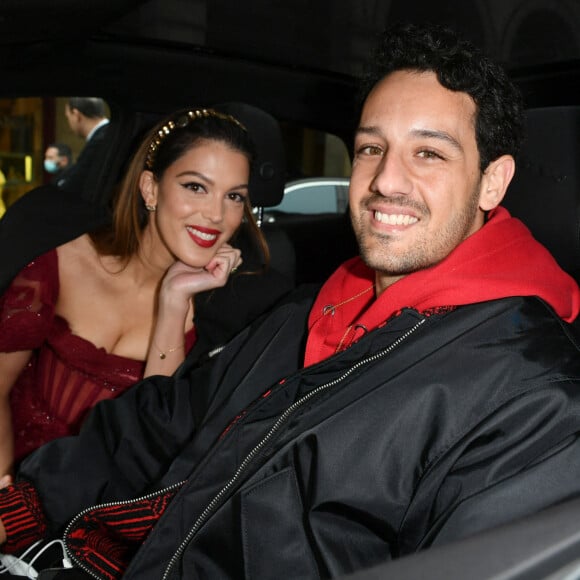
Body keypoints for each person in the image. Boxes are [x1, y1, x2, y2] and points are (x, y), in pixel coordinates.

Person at [0, 22, 580, 580]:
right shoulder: (310, 310)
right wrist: (22, 503)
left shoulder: (532, 394)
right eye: (370, 149)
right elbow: (157, 424)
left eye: (428, 154)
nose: (385, 181)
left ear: (492, 182)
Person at [0, 107, 281, 477]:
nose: (216, 214)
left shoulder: (228, 315)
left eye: (234, 197)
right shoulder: (62, 261)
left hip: (106, 509)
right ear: (150, 188)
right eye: (196, 187)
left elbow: (150, 443)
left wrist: (174, 300)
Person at [57, 97, 110, 198]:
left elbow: (77, 182)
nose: (69, 124)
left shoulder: (101, 141)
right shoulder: (107, 134)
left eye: (68, 117)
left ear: (76, 115)